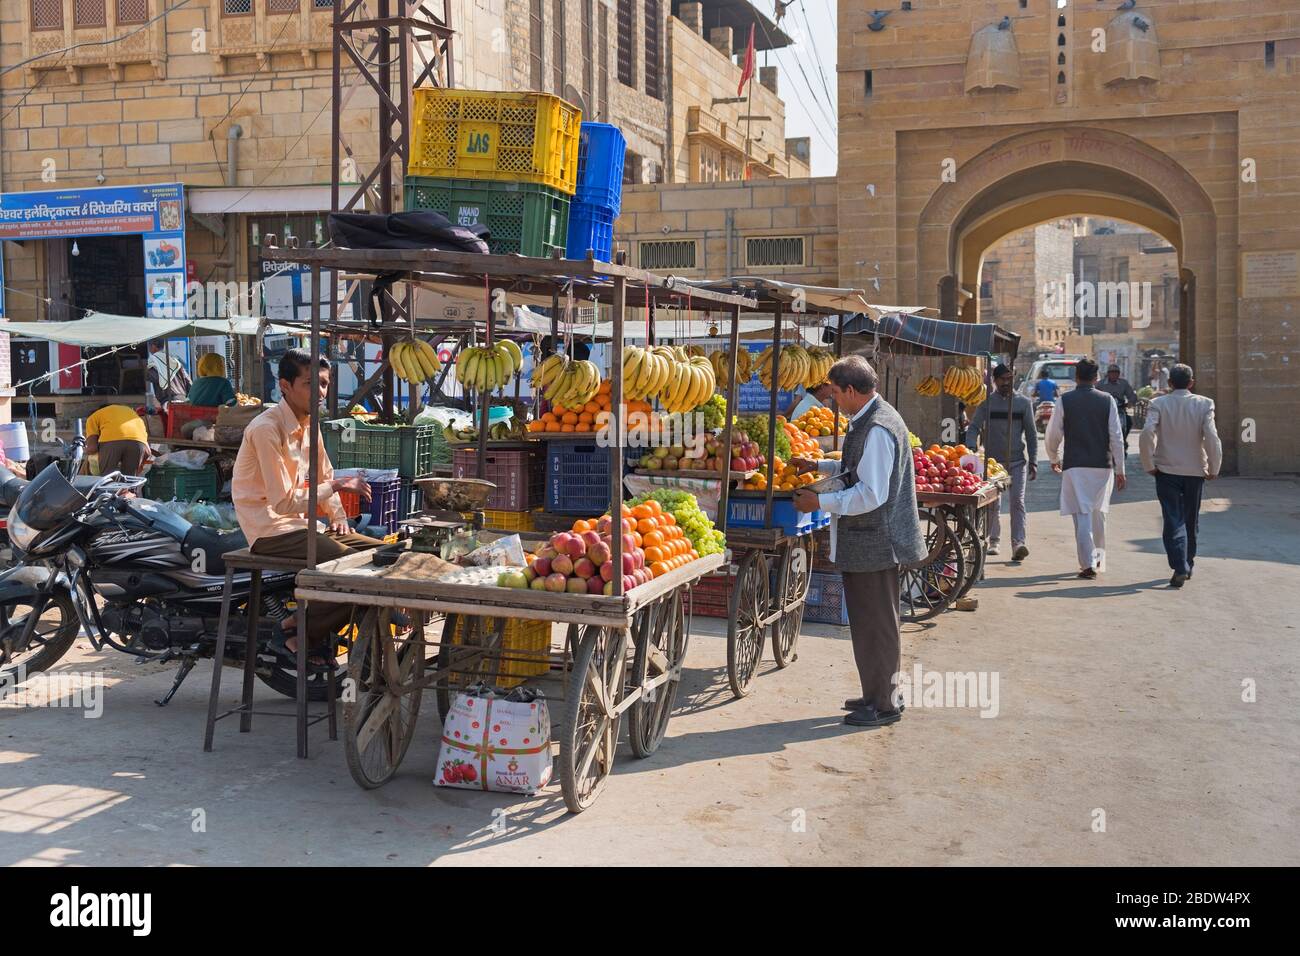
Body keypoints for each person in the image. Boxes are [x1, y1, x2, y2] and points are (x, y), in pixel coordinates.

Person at [789, 355, 926, 729]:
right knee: (870, 623)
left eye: (835, 393)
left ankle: (884, 704)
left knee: (877, 624)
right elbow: (857, 470)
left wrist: (820, 501)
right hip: (867, 541)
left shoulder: (878, 428)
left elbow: (871, 493)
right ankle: (875, 692)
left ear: (851, 391)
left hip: (877, 541)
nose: (832, 400)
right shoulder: (868, 420)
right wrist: (818, 467)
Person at [232, 349, 374, 662]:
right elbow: (283, 502)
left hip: (302, 525)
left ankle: (302, 624)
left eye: (324, 384)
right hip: (268, 529)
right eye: (311, 384)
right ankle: (300, 633)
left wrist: (339, 518)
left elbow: (324, 474)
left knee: (379, 556)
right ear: (285, 385)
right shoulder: (265, 429)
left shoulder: (310, 424)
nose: (320, 392)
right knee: (354, 569)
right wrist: (336, 486)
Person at [1139, 363, 1222, 588]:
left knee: (1173, 518)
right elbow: (1211, 437)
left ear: (1169, 383)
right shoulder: (1204, 404)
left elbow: (1147, 432)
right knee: (1190, 519)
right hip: (1195, 471)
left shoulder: (1158, 403)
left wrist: (1148, 462)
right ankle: (1188, 563)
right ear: (1191, 383)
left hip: (1166, 470)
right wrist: (1214, 467)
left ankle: (1180, 566)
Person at [1045, 358, 1126, 579]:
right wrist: (1121, 470)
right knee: (1099, 515)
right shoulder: (1107, 400)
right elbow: (1116, 437)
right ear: (1096, 378)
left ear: (1076, 377)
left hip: (1075, 466)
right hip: (1103, 466)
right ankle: (1099, 560)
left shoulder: (1065, 400)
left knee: (1082, 516)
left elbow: (1053, 434)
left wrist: (1054, 457)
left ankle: (1088, 564)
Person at [964, 364, 1036, 560]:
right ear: (994, 381)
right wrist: (970, 446)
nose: (1006, 382)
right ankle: (993, 541)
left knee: (1017, 502)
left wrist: (1034, 461)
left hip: (1017, 462)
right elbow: (974, 427)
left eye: (1009, 378)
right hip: (994, 464)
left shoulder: (1023, 403)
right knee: (993, 504)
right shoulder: (987, 403)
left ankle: (1018, 543)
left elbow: (1031, 434)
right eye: (1002, 379)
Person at [84, 403, 152, 476]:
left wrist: (83, 451)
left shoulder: (92, 417)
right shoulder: (131, 414)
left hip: (111, 442)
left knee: (107, 478)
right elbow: (148, 452)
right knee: (129, 480)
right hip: (138, 443)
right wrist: (138, 465)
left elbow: (92, 449)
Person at [1095, 364, 1139, 453]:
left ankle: (1124, 440)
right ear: (1108, 374)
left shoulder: (1124, 383)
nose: (1114, 374)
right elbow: (1094, 395)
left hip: (1120, 410)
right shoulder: (1100, 384)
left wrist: (1130, 402)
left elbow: (1132, 395)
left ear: (1119, 374)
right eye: (1112, 372)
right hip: (1105, 411)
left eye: (1116, 372)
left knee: (1129, 421)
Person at [146, 339, 191, 406]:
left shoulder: (153, 361)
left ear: (153, 346)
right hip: (183, 399)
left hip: (168, 401)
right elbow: (188, 382)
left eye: (149, 346)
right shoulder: (175, 360)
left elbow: (154, 378)